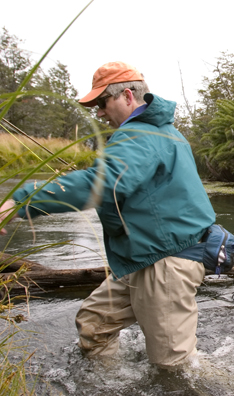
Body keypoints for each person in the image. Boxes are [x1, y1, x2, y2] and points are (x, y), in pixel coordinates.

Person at [0, 61, 216, 367]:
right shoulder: (160, 132)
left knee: (174, 369)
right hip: (147, 257)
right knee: (94, 323)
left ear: (127, 96)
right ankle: (111, 381)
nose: (99, 112)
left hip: (165, 263)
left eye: (102, 102)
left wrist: (21, 200)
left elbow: (104, 183)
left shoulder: (140, 135)